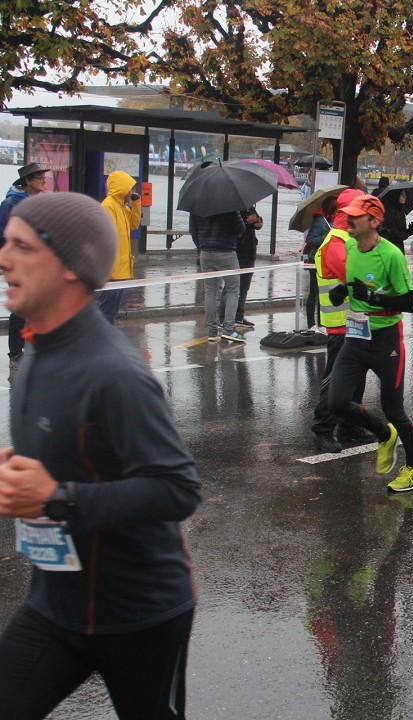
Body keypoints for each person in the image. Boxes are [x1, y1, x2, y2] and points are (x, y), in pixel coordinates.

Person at [0, 192, 201, 718]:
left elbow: (177, 488)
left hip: (139, 614)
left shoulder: (114, 372)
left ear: (69, 266)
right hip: (54, 605)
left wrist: (58, 497)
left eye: (22, 246)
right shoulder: (40, 346)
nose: (3, 258)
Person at [324, 194, 413, 492]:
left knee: (393, 408)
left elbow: (409, 303)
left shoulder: (391, 255)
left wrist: (373, 298)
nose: (349, 219)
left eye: (356, 216)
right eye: (349, 215)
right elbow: (361, 284)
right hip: (356, 337)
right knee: (338, 402)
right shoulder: (352, 248)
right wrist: (344, 291)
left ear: (374, 221)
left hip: (386, 340)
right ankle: (384, 435)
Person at [309, 189, 372, 453]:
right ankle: (323, 429)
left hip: (357, 322)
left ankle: (349, 425)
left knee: (357, 379)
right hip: (340, 326)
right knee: (337, 381)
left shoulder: (351, 240)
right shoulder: (335, 244)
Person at [0, 163, 48, 370]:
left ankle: (32, 349)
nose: (43, 180)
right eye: (39, 177)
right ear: (27, 181)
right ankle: (16, 353)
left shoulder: (32, 202)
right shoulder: (11, 203)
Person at [190, 208, 246, 342]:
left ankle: (212, 331)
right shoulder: (230, 205)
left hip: (206, 252)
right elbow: (240, 228)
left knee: (210, 291)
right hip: (226, 251)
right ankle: (229, 329)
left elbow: (193, 230)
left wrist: (201, 246)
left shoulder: (196, 206)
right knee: (233, 290)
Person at [97, 171, 142, 324]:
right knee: (106, 310)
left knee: (112, 310)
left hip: (121, 269)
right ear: (122, 188)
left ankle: (106, 340)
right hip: (112, 269)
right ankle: (103, 342)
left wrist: (136, 203)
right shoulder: (108, 206)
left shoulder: (121, 207)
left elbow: (134, 224)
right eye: (130, 189)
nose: (132, 192)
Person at [303, 196, 337, 330]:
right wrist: (327, 237)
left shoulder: (330, 221)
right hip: (315, 260)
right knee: (314, 292)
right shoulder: (320, 221)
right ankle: (311, 323)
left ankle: (322, 323)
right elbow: (311, 240)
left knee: (323, 293)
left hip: (326, 261)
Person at [230, 205, 261, 330]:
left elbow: (256, 221)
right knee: (233, 287)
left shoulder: (250, 207)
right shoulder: (234, 209)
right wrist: (248, 223)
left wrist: (257, 223)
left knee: (244, 287)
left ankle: (239, 315)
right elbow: (237, 230)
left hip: (250, 251)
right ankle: (228, 316)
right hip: (238, 252)